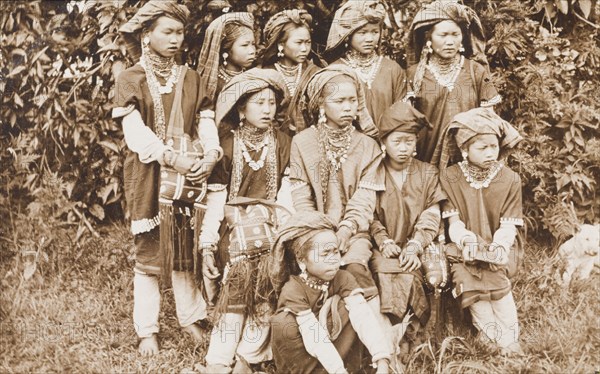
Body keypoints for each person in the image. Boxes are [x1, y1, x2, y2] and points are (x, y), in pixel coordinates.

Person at [113, 1, 224, 356]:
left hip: (188, 175)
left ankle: (190, 315)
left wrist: (211, 153)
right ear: (146, 35)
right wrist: (168, 156)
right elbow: (134, 131)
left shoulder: (190, 77)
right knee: (148, 255)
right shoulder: (130, 78)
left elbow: (204, 120)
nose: (176, 39)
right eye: (168, 32)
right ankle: (147, 329)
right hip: (148, 173)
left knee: (183, 249)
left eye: (179, 33)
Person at [199, 69, 292, 373]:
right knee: (239, 280)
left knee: (267, 276)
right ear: (241, 108)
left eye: (272, 103)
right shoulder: (227, 144)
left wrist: (277, 226)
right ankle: (219, 358)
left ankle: (248, 354)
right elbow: (215, 200)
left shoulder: (283, 143)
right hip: (232, 228)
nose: (268, 110)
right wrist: (208, 244)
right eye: (259, 103)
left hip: (273, 225)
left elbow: (287, 197)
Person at [289, 65, 385, 330]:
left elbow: (364, 200)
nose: (348, 107)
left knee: (354, 267)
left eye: (353, 100)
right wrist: (320, 232)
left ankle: (376, 343)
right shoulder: (302, 142)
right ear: (321, 103)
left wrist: (345, 230)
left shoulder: (368, 145)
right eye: (339, 101)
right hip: (312, 230)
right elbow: (300, 196)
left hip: (354, 232)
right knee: (312, 271)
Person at [438, 107, 524, 355]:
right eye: (482, 148)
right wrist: (466, 240)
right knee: (469, 279)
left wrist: (498, 247)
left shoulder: (509, 179)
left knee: (496, 279)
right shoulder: (450, 177)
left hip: (499, 244)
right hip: (464, 245)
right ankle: (489, 335)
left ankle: (510, 337)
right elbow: (454, 222)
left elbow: (508, 225)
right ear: (464, 150)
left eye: (494, 147)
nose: (490, 153)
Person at [370, 102, 447, 360]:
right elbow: (369, 214)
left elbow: (432, 213)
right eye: (397, 141)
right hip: (384, 246)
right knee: (385, 270)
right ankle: (393, 335)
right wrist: (383, 241)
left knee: (412, 271)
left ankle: (413, 333)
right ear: (384, 142)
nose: (403, 148)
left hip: (419, 244)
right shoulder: (374, 172)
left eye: (409, 142)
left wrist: (415, 245)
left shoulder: (427, 172)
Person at [269, 211, 392, 373]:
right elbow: (315, 338)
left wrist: (382, 359)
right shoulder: (293, 288)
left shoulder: (342, 278)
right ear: (301, 260)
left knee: (350, 307)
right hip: (303, 359)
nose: (333, 259)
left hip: (333, 357)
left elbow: (364, 317)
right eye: (325, 253)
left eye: (335, 251)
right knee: (283, 322)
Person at [406, 0, 502, 167]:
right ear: (429, 38)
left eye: (455, 35)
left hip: (468, 161)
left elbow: (489, 121)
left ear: (462, 37)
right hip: (426, 160)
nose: (449, 42)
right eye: (442, 35)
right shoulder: (415, 74)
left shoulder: (475, 71)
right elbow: (407, 123)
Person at [324, 0, 407, 130]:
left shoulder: (393, 69)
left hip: (389, 144)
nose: (369, 39)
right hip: (350, 145)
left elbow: (402, 114)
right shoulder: (335, 71)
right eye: (362, 33)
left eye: (374, 32)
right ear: (348, 35)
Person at [258, 9, 326, 133]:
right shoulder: (265, 75)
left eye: (308, 42)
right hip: (275, 142)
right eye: (298, 43)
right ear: (281, 44)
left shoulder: (316, 73)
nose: (304, 48)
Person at [197, 12, 256, 106]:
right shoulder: (215, 84)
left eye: (253, 44)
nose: (252, 50)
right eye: (245, 45)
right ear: (226, 51)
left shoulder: (253, 77)